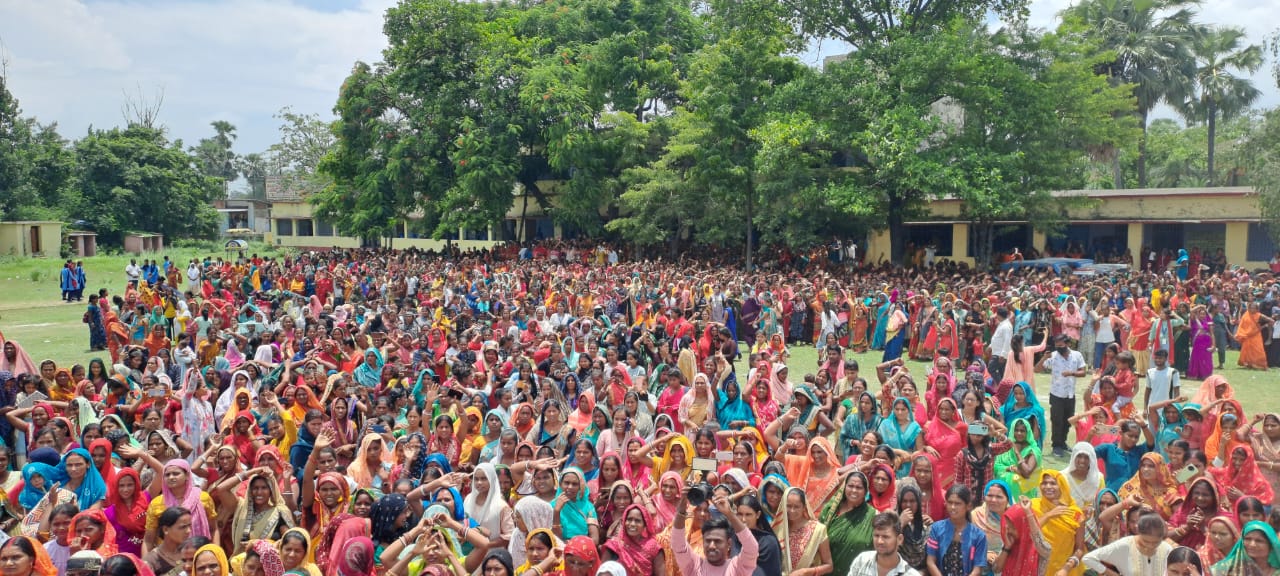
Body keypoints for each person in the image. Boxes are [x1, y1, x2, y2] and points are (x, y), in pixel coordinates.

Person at [670, 490, 758, 576]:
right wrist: (682, 507)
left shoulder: (736, 568)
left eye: (718, 541)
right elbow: (678, 544)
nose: (712, 545)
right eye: (708, 541)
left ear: (729, 544)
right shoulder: (694, 566)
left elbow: (751, 548)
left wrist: (729, 514)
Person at [1039, 335, 1087, 458]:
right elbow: (1037, 369)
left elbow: (1083, 372)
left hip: (1070, 394)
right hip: (1056, 394)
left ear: (1068, 344)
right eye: (1057, 345)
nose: (1058, 348)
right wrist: (1043, 358)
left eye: (1061, 345)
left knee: (1068, 420)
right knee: (1057, 420)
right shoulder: (1053, 356)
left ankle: (1063, 442)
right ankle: (1056, 445)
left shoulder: (1077, 355)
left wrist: (1071, 373)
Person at [1081, 513, 1173, 576]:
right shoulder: (1125, 545)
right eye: (1146, 541)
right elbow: (1088, 558)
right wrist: (1113, 574)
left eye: (1155, 542)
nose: (1150, 546)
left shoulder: (1166, 549)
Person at [924, 485, 985, 576]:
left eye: (958, 503)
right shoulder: (936, 528)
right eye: (950, 502)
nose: (952, 507)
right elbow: (930, 562)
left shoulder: (979, 536)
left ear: (968, 506)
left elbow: (977, 569)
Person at [846, 512, 920, 576]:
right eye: (876, 536)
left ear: (899, 539)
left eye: (885, 537)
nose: (879, 541)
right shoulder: (862, 561)